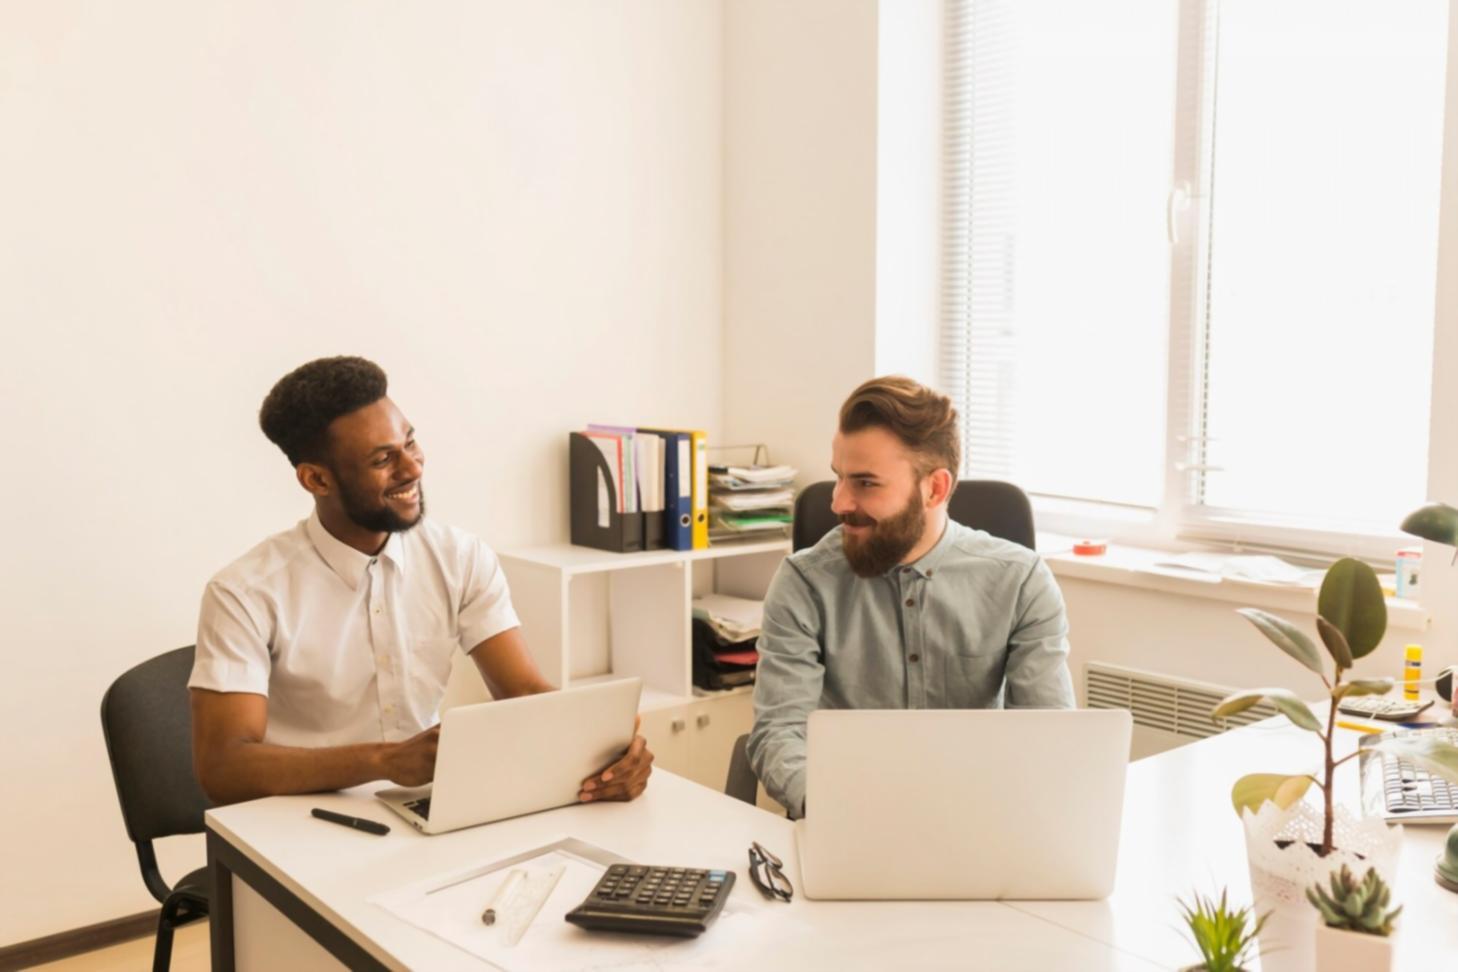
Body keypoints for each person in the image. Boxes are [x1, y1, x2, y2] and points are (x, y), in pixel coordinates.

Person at [189, 356, 653, 805]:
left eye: (409, 443)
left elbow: (523, 693)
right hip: (293, 821)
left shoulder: (460, 557)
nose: (412, 469)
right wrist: (382, 761)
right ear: (316, 479)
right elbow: (225, 768)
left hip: (430, 807)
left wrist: (606, 749)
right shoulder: (245, 592)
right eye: (382, 459)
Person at [747, 375, 1074, 815]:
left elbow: (1047, 738)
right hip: (844, 815)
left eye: (865, 483)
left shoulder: (1019, 581)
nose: (839, 502)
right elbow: (779, 732)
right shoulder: (804, 582)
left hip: (979, 819)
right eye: (838, 478)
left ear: (935, 488)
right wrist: (837, 809)